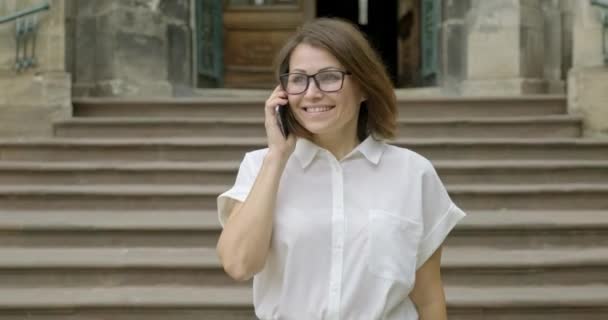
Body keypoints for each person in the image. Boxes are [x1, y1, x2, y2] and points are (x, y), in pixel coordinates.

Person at [216, 18, 466, 320]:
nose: (311, 93)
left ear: (364, 87)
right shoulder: (260, 167)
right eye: (298, 79)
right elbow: (239, 264)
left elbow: (428, 300)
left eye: (329, 77)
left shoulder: (413, 173)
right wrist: (277, 157)